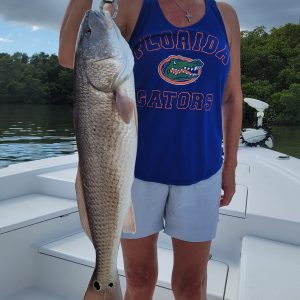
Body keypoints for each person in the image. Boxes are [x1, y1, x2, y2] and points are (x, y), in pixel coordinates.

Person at [59, 0, 243, 299]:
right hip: (135, 170)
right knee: (140, 278)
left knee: (191, 284)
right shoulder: (130, 6)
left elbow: (232, 97)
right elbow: (70, 56)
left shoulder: (225, 15)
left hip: (202, 166)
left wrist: (230, 167)